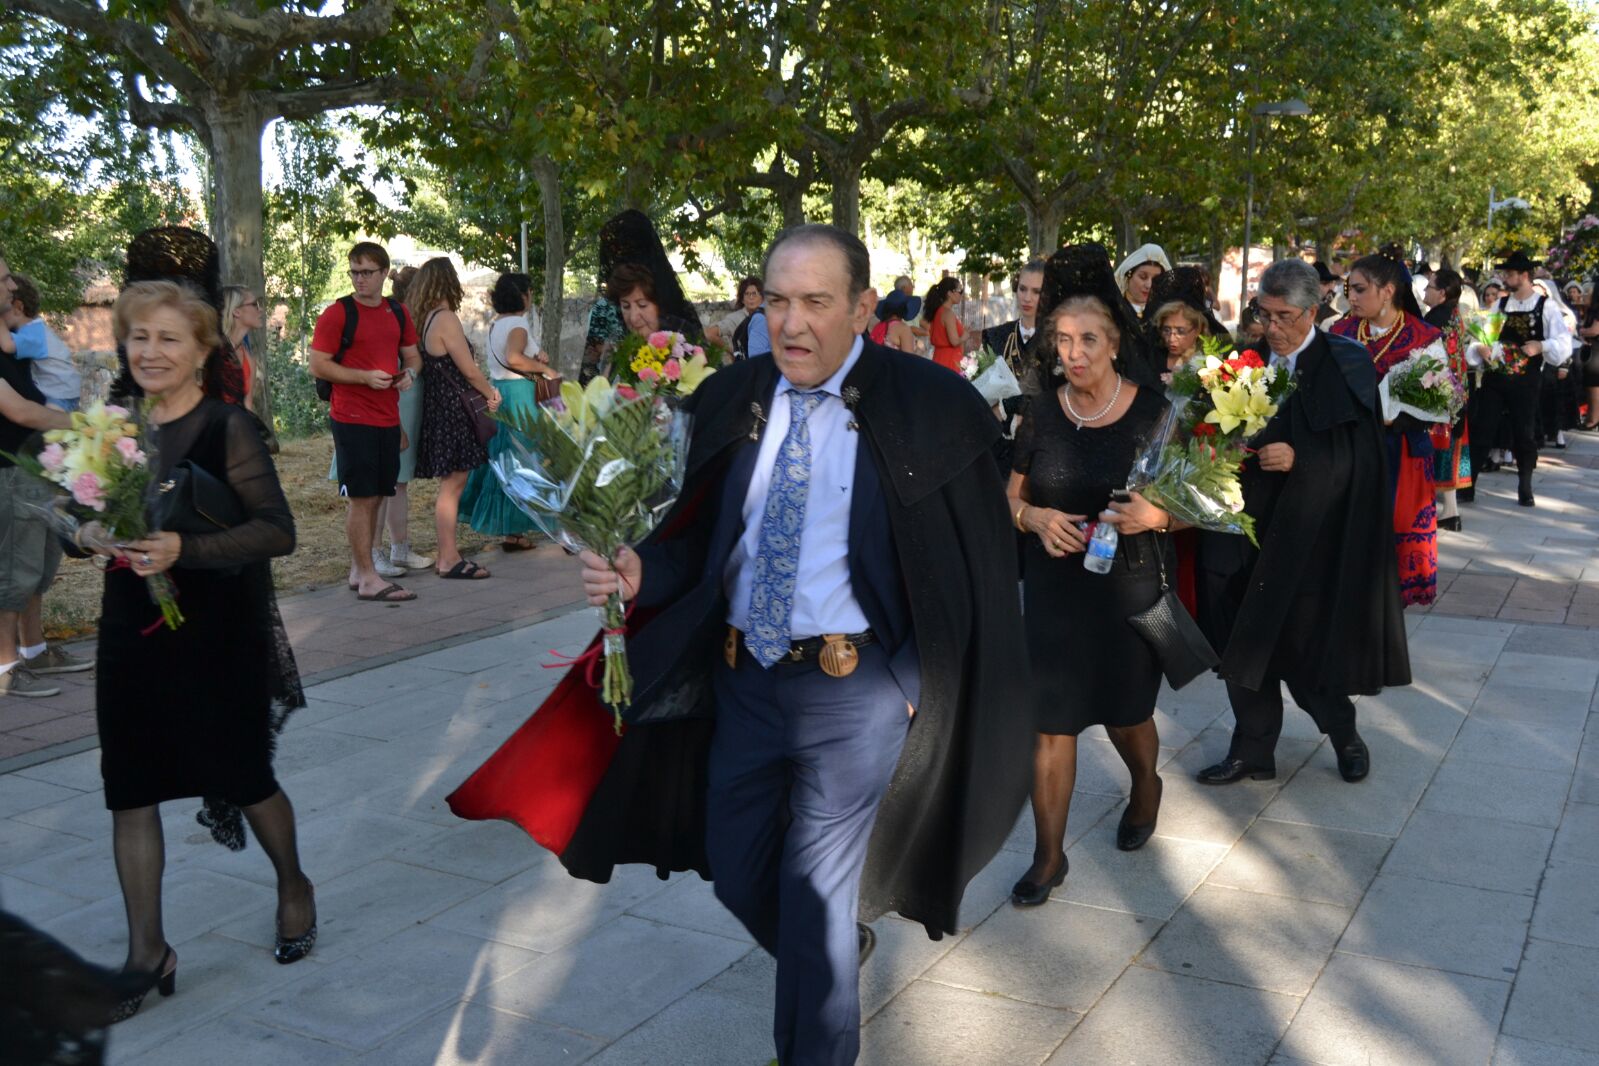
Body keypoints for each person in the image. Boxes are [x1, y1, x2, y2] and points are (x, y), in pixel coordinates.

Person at [447, 224, 1032, 1066]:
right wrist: (637, 568)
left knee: (819, 899)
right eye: (780, 300)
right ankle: (823, 964)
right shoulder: (731, 396)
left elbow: (968, 566)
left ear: (863, 309)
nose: (792, 323)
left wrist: (908, 683)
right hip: (742, 683)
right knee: (735, 862)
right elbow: (697, 537)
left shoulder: (928, 405)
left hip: (853, 693)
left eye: (816, 303)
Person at [86, 280, 313, 1023]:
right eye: (139, 337)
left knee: (244, 775)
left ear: (202, 351)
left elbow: (278, 531)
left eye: (168, 339)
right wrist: (83, 534)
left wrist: (188, 545)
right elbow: (72, 510)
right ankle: (148, 952)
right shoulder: (111, 426)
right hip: (131, 628)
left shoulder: (228, 427)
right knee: (130, 788)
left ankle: (293, 886)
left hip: (217, 632)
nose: (150, 352)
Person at [1196, 259, 1409, 788]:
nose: (1272, 327)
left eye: (1284, 316)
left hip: (1313, 535)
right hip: (1244, 527)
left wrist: (1303, 459)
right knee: (1242, 644)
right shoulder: (1245, 362)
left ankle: (1344, 734)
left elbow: (1364, 459)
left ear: (1313, 311)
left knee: (1306, 650)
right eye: (1263, 314)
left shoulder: (1347, 361)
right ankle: (1252, 750)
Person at [1006, 265, 1176, 907]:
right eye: (1063, 341)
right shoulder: (1042, 414)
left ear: (1113, 344)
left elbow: (1197, 504)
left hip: (1125, 586)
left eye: (1087, 341)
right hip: (1053, 591)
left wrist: (1158, 515)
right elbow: (1010, 497)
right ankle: (1048, 858)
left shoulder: (1155, 412)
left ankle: (1145, 786)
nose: (1073, 354)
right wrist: (1034, 517)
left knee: (1128, 716)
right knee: (1051, 726)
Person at [310, 241, 423, 602]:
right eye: (354, 272)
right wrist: (363, 377)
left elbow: (412, 356)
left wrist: (410, 374)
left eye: (367, 272)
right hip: (351, 416)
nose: (359, 279)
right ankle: (368, 575)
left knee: (378, 495)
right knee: (361, 498)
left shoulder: (397, 312)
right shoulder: (338, 313)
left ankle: (361, 570)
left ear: (384, 273)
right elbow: (318, 364)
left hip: (387, 416)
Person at [1332, 253, 1443, 606]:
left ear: (1388, 291)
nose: (1352, 297)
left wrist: (1396, 416)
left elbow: (1441, 400)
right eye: (1350, 289)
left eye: (1360, 290)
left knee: (1396, 532)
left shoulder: (1424, 336)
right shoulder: (1340, 332)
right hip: (1350, 449)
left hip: (1401, 449)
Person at [0, 255, 79, 699]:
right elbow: (19, 411)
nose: (13, 285)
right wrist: (85, 427)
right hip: (11, 470)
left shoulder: (14, 337)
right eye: (5, 278)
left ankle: (34, 650)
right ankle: (6, 668)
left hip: (33, 464)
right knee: (13, 570)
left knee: (35, 563)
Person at [408, 257, 501, 580]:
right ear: (449, 283)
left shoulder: (425, 319)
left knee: (452, 483)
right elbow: (469, 370)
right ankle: (448, 557)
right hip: (452, 410)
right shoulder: (446, 318)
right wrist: (490, 393)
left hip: (438, 409)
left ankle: (448, 555)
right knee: (453, 485)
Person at [1466, 251, 1575, 507]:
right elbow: (1483, 337)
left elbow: (1563, 342)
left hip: (1526, 380)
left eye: (1510, 274)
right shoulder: (1500, 305)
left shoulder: (1545, 306)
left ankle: (1525, 486)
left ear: (1524, 276)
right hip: (1495, 377)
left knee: (1523, 433)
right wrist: (1481, 348)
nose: (1506, 278)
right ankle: (1468, 484)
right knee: (1483, 428)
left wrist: (1542, 345)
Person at [460, 272, 555, 550]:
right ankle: (519, 527)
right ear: (523, 295)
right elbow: (515, 358)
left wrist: (536, 358)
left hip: (501, 390)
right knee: (525, 456)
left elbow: (509, 358)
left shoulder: (496, 324)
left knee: (505, 457)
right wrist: (545, 368)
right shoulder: (518, 323)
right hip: (520, 394)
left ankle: (511, 532)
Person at [581, 210, 704, 382]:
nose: (634, 317)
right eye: (625, 306)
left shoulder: (680, 329)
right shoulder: (610, 317)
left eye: (642, 305)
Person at [1423, 268, 1473, 528]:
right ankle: (1450, 511)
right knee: (1448, 448)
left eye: (1429, 287)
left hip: (1439, 394)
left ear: (1441, 293)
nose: (1424, 292)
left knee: (1435, 450)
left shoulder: (1436, 318)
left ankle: (1438, 510)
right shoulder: (1453, 313)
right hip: (1455, 392)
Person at [5, 275, 82, 411]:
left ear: (18, 307)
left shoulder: (31, 334)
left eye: (3, 310)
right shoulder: (36, 328)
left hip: (60, 394)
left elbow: (7, 345)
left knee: (48, 426)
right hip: (65, 390)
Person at [219, 285, 262, 412]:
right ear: (236, 311)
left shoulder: (249, 360)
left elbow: (247, 407)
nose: (261, 310)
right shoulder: (211, 351)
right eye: (255, 304)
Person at [1115, 243, 1172, 318]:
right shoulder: (1113, 310)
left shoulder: (1167, 312)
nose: (1149, 285)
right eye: (1143, 277)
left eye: (1156, 279)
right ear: (1129, 275)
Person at [706, 276, 763, 349]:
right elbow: (709, 333)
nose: (751, 297)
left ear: (762, 297)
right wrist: (732, 352)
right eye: (747, 294)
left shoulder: (769, 315)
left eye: (754, 293)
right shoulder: (736, 318)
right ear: (742, 299)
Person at [924, 277, 966, 371]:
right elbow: (954, 342)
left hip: (939, 358)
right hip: (950, 361)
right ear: (950, 293)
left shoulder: (938, 311)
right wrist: (964, 336)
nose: (961, 294)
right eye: (960, 291)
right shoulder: (948, 313)